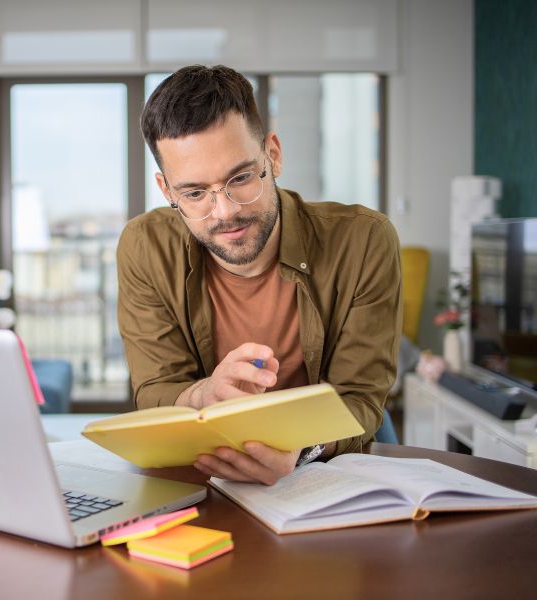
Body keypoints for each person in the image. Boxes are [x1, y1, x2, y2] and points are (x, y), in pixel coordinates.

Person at [117, 65, 402, 486]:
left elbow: (359, 397)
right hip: (207, 476)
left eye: (241, 178)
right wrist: (205, 394)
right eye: (195, 193)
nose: (226, 210)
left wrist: (300, 450)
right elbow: (156, 389)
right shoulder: (144, 246)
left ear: (273, 155)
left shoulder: (364, 240)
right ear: (166, 190)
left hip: (324, 473)